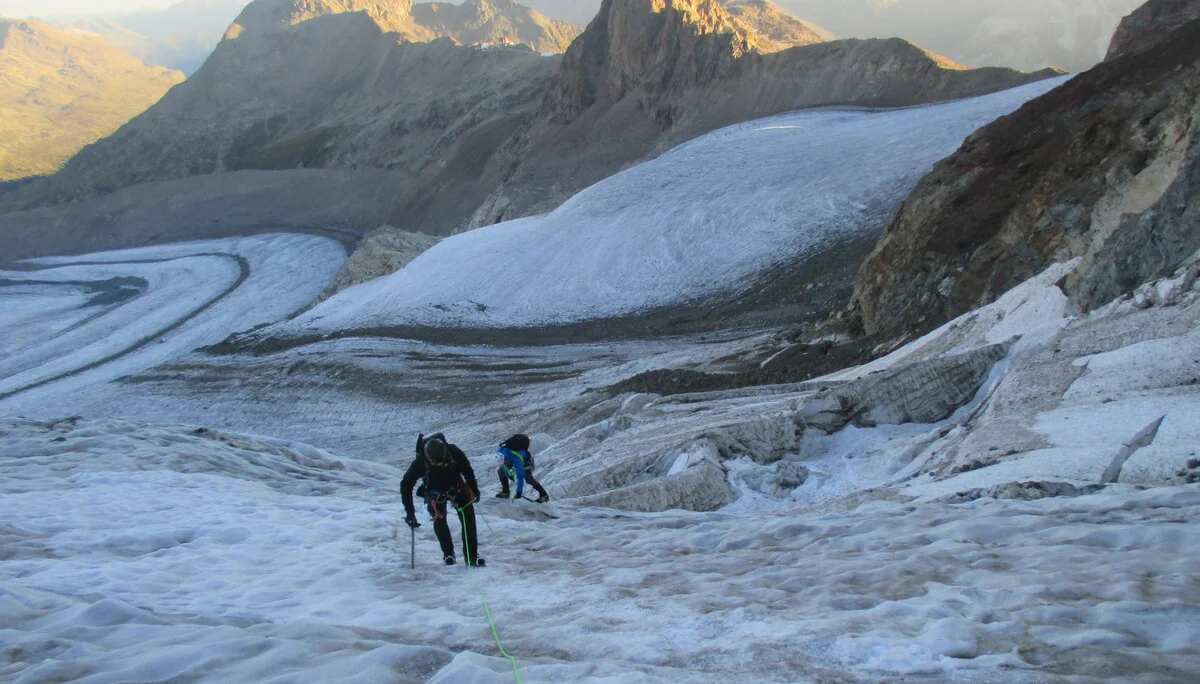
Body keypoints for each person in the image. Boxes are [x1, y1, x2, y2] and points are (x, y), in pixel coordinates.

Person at [402, 432, 485, 567]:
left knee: (468, 519)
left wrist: (474, 490)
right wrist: (410, 513)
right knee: (440, 520)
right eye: (436, 463)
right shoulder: (420, 462)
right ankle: (448, 553)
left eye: (442, 462)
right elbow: (406, 485)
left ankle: (471, 555)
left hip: (456, 488)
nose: (440, 465)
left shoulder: (453, 452)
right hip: (435, 494)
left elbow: (467, 470)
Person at [494, 433, 550, 503]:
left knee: (528, 479)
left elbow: (520, 475)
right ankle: (505, 492)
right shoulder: (500, 451)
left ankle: (544, 495)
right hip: (510, 459)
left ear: (504, 459)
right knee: (500, 471)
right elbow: (503, 466)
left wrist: (519, 492)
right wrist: (508, 473)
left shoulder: (516, 459)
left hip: (525, 461)